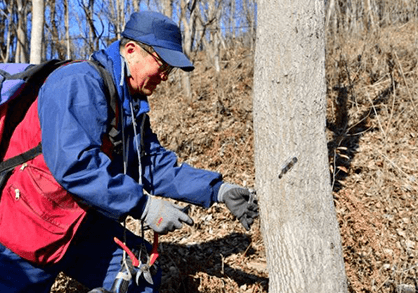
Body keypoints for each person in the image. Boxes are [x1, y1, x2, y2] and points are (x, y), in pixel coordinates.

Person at [0, 10, 258, 293]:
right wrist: (144, 206)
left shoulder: (129, 106)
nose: (164, 76)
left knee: (140, 274)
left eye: (170, 70)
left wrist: (217, 190)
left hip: (79, 226)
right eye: (162, 64)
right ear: (131, 50)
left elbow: (152, 165)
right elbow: (75, 166)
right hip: (25, 230)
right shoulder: (77, 81)